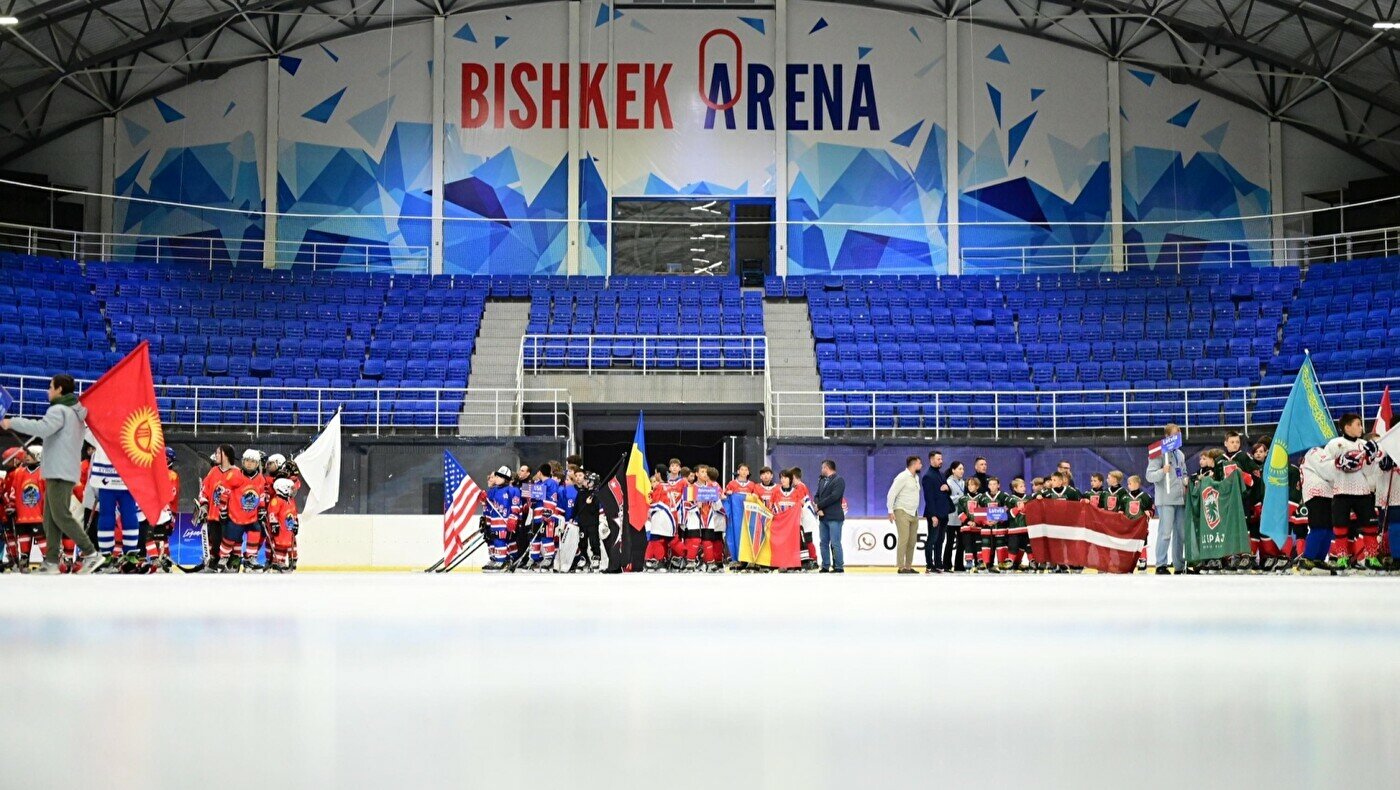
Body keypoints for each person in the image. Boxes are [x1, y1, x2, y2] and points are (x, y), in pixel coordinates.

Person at [1, 374, 105, 574]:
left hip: (59, 471)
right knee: (50, 517)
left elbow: (42, 428)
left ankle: (91, 553)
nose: (48, 391)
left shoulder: (59, 410)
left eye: (50, 387)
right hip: (62, 469)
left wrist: (11, 422)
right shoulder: (75, 413)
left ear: (59, 389)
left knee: (60, 514)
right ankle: (51, 561)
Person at [1324, 414, 1381, 570]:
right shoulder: (1334, 444)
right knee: (1340, 527)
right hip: (1341, 490)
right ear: (1347, 427)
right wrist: (1338, 462)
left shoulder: (1365, 444)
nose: (1362, 427)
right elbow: (1324, 467)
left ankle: (1372, 557)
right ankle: (1342, 557)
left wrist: (1371, 457)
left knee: (1370, 526)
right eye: (1358, 424)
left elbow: (1369, 472)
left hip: (1362, 491)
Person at [1145, 422, 1187, 575]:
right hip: (1166, 499)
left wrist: (1186, 480)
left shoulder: (1180, 454)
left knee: (1180, 533)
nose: (1177, 436)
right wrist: (1163, 471)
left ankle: (1179, 565)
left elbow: (1183, 472)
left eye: (1179, 434)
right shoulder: (1158, 453)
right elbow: (1149, 476)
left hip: (1180, 498)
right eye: (1175, 434)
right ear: (1168, 436)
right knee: (1165, 532)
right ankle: (1161, 564)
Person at [5, 447, 45, 572]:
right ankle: (24, 558)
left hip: (38, 513)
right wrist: (11, 505)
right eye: (26, 454)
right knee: (23, 535)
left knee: (41, 536)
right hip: (22, 514)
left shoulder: (44, 471)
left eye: (30, 454)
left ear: (39, 456)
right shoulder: (19, 472)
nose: (26, 456)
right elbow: (14, 490)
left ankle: (47, 558)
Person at [480, 466, 522, 572]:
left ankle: (502, 561)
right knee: (495, 540)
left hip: (506, 521)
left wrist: (513, 519)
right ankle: (500, 560)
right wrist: (483, 498)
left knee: (501, 540)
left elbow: (516, 505)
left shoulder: (512, 490)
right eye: (497, 476)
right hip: (495, 521)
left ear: (506, 479)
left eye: (500, 477)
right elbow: (488, 505)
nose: (497, 478)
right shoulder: (493, 491)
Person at [886, 455, 922, 574]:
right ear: (914, 464)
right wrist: (890, 510)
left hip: (914, 512)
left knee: (912, 541)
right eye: (919, 463)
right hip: (901, 511)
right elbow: (892, 493)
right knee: (904, 539)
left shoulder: (916, 477)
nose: (921, 465)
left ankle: (908, 566)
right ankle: (901, 566)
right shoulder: (902, 477)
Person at [921, 451, 952, 573]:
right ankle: (929, 564)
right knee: (932, 539)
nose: (941, 461)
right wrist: (933, 515)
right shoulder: (928, 476)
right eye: (938, 459)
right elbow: (929, 498)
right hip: (935, 514)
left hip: (944, 513)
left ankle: (938, 563)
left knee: (940, 540)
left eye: (941, 459)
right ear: (931, 460)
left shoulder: (941, 474)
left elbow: (946, 492)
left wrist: (947, 488)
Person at [814, 459, 846, 574]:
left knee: (835, 542)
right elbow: (817, 495)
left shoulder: (839, 480)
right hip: (823, 517)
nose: (821, 470)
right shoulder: (822, 480)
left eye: (822, 468)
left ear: (827, 468)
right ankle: (825, 565)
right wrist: (818, 508)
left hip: (835, 517)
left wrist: (819, 505)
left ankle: (838, 566)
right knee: (823, 542)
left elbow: (834, 496)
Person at [1119, 475, 1155, 572]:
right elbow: (1121, 509)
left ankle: (1142, 562)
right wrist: (1120, 514)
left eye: (1130, 483)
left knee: (1142, 544)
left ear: (1136, 484)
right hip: (1128, 526)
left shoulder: (1145, 496)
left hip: (1141, 527)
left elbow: (1152, 509)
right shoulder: (1125, 497)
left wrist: (1150, 512)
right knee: (1128, 544)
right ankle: (1127, 563)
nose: (1128, 485)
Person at [266, 477, 300, 572]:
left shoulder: (290, 501)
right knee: (280, 545)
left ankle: (292, 559)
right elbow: (272, 513)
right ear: (283, 488)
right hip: (281, 530)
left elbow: (294, 513)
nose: (293, 490)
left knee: (290, 545)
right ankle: (277, 562)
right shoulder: (276, 500)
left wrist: (296, 524)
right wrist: (274, 524)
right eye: (290, 488)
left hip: (288, 530)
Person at [572, 470, 603, 572]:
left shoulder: (596, 494)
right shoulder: (581, 493)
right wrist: (572, 517)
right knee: (582, 541)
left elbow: (596, 510)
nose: (584, 481)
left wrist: (591, 503)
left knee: (594, 541)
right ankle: (584, 558)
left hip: (592, 523)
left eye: (586, 480)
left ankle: (596, 557)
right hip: (582, 522)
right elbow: (576, 507)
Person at [943, 461, 966, 572]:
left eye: (963, 469)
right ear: (953, 470)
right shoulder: (948, 482)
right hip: (951, 517)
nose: (962, 471)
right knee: (950, 542)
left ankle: (959, 565)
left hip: (962, 517)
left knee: (961, 543)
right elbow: (947, 499)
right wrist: (960, 498)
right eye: (960, 469)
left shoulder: (963, 482)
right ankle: (946, 565)